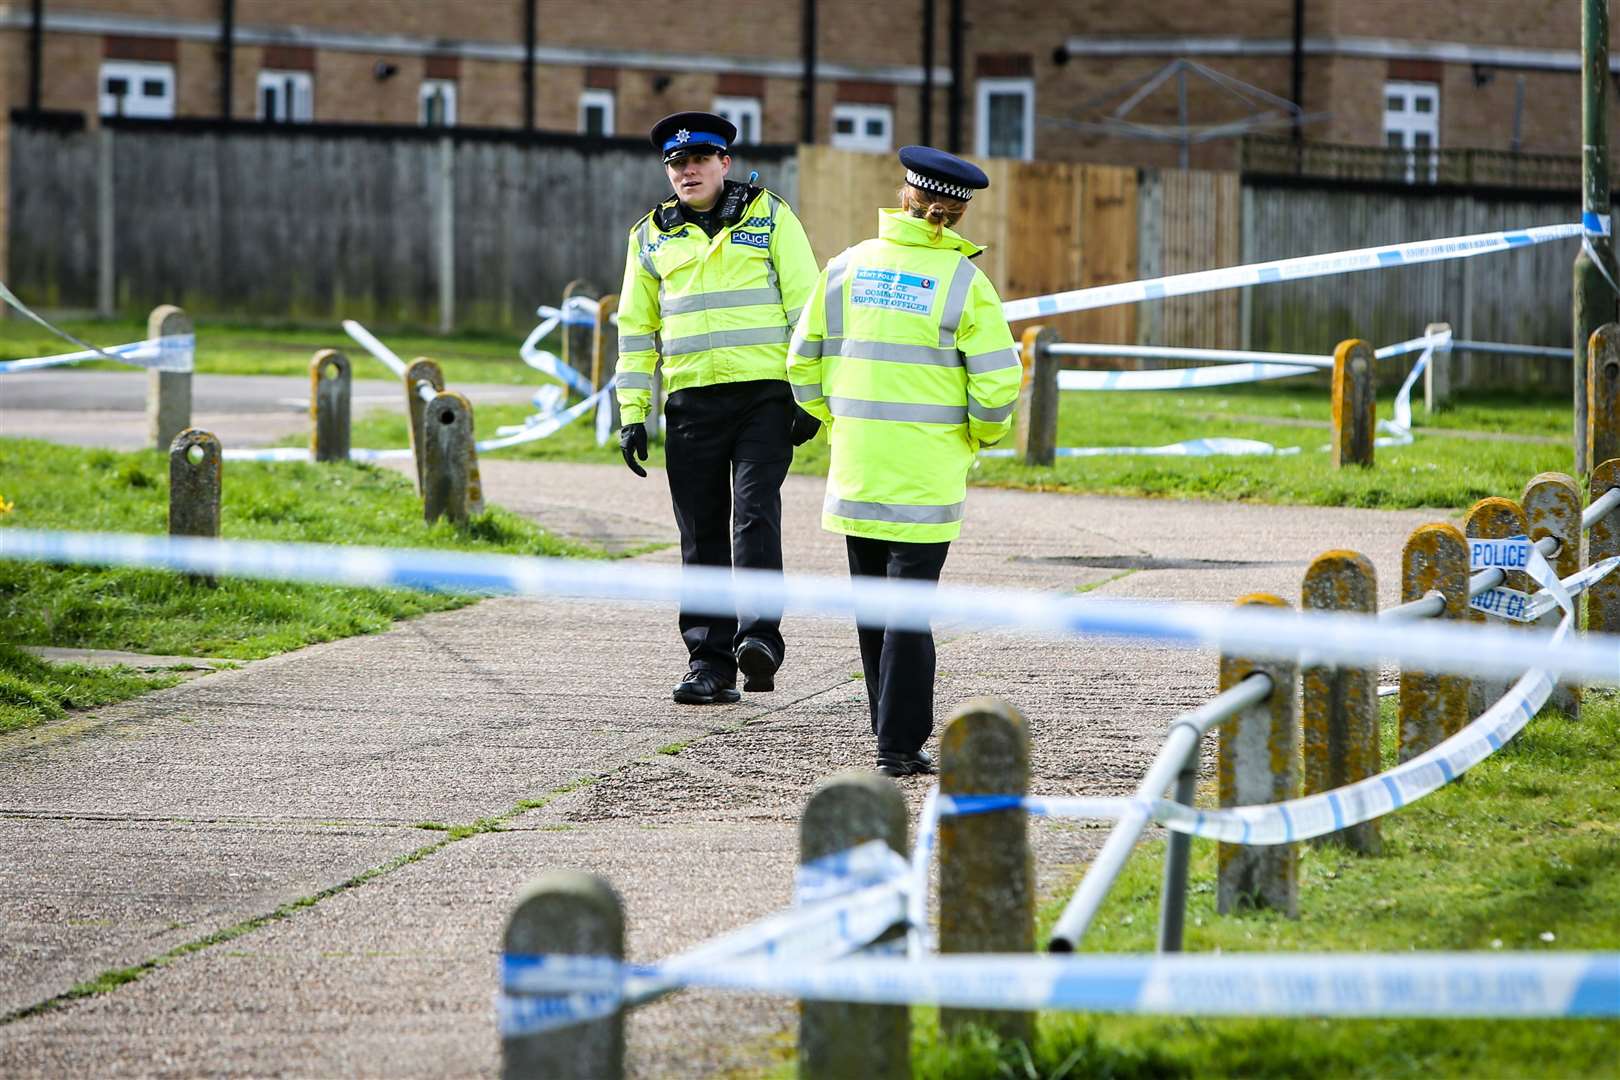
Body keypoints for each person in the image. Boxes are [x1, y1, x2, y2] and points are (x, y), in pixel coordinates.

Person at [786, 146, 1020, 777]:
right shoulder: (966, 283)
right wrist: (980, 437)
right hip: (926, 477)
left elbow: (801, 362)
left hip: (858, 470)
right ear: (959, 212)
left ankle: (885, 733)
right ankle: (898, 745)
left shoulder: (846, 267)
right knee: (909, 614)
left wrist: (838, 421)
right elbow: (998, 384)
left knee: (873, 614)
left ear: (904, 197)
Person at [615, 111, 821, 705]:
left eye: (700, 160)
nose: (688, 171)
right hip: (691, 404)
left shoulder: (770, 214)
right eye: (677, 164)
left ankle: (759, 640)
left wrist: (810, 397)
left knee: (753, 514)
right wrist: (633, 412)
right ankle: (709, 663)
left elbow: (807, 310)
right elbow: (635, 330)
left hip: (765, 397)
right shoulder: (649, 236)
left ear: (724, 163)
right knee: (700, 533)